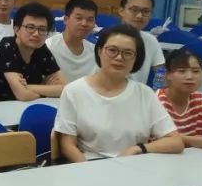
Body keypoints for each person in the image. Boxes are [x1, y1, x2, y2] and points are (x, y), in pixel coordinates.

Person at [55, 25, 183, 161]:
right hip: (90, 164)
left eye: (128, 53)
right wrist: (89, 169)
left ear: (135, 58)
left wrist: (139, 148)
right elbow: (67, 145)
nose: (119, 57)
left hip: (134, 163)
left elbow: (175, 141)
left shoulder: (145, 93)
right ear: (99, 51)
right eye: (112, 50)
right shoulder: (74, 91)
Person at [0, 2, 65, 102]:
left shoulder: (41, 48)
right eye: (30, 27)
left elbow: (64, 88)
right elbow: (23, 95)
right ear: (16, 29)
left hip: (26, 106)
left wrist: (28, 87)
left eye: (42, 29)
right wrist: (47, 89)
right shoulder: (7, 47)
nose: (36, 34)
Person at [158, 49, 202, 150]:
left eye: (195, 71)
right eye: (181, 71)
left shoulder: (200, 101)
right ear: (168, 74)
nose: (189, 77)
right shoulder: (156, 102)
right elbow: (164, 141)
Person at [44, 0, 97, 82]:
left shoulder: (96, 51)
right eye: (79, 18)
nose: (84, 24)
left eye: (90, 20)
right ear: (66, 20)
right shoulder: (48, 47)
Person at [118, 0, 165, 85]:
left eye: (146, 11)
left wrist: (158, 90)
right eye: (134, 10)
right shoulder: (107, 39)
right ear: (121, 11)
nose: (139, 16)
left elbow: (160, 73)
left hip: (138, 93)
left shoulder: (151, 40)